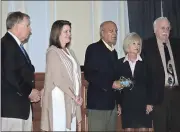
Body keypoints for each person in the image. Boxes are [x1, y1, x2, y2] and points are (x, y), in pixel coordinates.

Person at [40, 20, 83, 131]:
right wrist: (74, 96)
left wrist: (77, 95)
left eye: (70, 31)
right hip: (59, 98)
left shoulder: (70, 52)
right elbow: (58, 78)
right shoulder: (52, 52)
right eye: (66, 31)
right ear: (57, 33)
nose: (69, 34)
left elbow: (75, 76)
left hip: (71, 97)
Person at [1, 11, 40, 131]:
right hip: (12, 110)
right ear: (17, 26)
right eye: (27, 25)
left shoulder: (14, 45)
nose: (30, 29)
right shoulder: (7, 44)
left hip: (19, 109)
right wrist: (29, 91)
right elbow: (11, 75)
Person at [142, 17, 180, 132]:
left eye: (168, 28)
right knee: (161, 128)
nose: (166, 31)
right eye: (162, 28)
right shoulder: (147, 46)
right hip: (159, 95)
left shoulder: (177, 44)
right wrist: (147, 100)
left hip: (177, 94)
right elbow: (144, 75)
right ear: (155, 30)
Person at [84, 21, 120, 131]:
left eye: (116, 31)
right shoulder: (93, 48)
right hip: (98, 105)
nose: (114, 34)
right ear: (102, 33)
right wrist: (111, 84)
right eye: (111, 31)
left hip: (111, 105)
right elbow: (89, 74)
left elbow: (115, 77)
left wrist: (118, 102)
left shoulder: (114, 53)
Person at [115, 32, 153, 132]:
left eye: (138, 44)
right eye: (134, 43)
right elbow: (117, 86)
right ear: (127, 45)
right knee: (128, 129)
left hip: (143, 103)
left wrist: (149, 102)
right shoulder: (119, 63)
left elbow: (151, 84)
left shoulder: (146, 63)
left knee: (144, 129)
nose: (137, 46)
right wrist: (118, 104)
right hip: (127, 104)